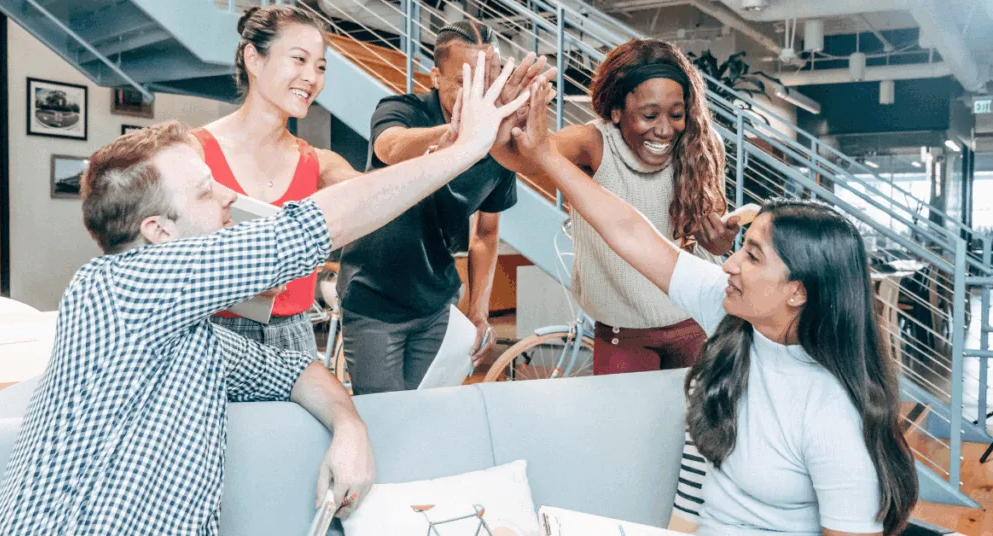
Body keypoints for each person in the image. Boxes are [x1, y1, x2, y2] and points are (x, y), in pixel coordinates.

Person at [0, 54, 530, 535]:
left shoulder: (187, 335)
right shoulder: (115, 288)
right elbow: (307, 231)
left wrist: (350, 425)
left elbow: (296, 372)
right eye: (204, 191)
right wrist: (465, 148)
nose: (227, 198)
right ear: (159, 233)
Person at [510, 81, 919, 536]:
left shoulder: (833, 414)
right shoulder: (730, 317)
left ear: (798, 292)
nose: (730, 264)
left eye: (754, 256)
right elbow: (629, 231)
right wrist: (544, 154)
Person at [335, 20, 556, 395]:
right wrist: (458, 136)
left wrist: (479, 313)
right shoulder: (402, 109)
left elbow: (486, 233)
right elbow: (389, 146)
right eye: (464, 83)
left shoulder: (499, 145)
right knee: (384, 418)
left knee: (429, 414)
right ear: (435, 76)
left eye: (487, 83)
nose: (478, 95)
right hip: (374, 300)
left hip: (437, 304)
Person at [492, 38, 735, 376]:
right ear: (616, 111)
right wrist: (506, 123)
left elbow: (714, 245)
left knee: (696, 428)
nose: (665, 129)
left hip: (698, 324)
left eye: (676, 114)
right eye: (649, 115)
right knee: (624, 428)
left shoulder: (701, 146)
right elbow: (526, 157)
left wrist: (720, 240)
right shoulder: (593, 142)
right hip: (624, 335)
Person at [191, 4, 361, 352]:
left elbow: (373, 195)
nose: (312, 77)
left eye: (320, 66)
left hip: (295, 337)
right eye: (299, 59)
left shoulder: (318, 162)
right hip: (212, 333)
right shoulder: (194, 153)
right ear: (253, 59)